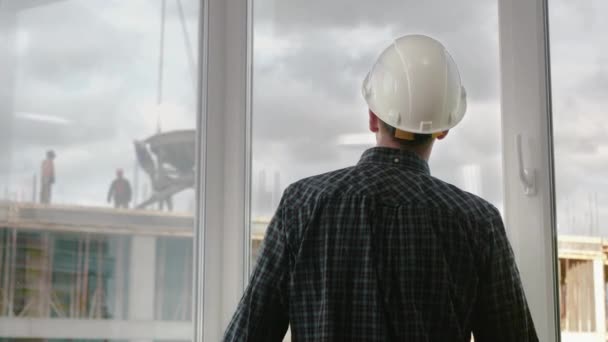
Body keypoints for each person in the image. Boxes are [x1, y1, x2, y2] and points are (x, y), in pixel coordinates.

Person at [224, 35, 538, 341]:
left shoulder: (302, 204)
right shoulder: (478, 222)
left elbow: (248, 334)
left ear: (373, 117)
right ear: (443, 129)